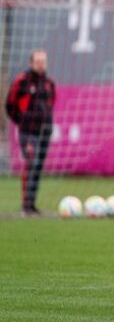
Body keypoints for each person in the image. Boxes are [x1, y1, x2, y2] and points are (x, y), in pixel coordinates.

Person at [5, 49, 56, 216]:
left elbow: (52, 104)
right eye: (38, 62)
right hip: (28, 132)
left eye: (43, 62)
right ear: (31, 63)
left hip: (44, 131)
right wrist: (22, 121)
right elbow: (10, 104)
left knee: (39, 167)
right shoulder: (22, 81)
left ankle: (33, 205)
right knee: (31, 163)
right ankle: (26, 205)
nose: (41, 65)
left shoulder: (49, 83)